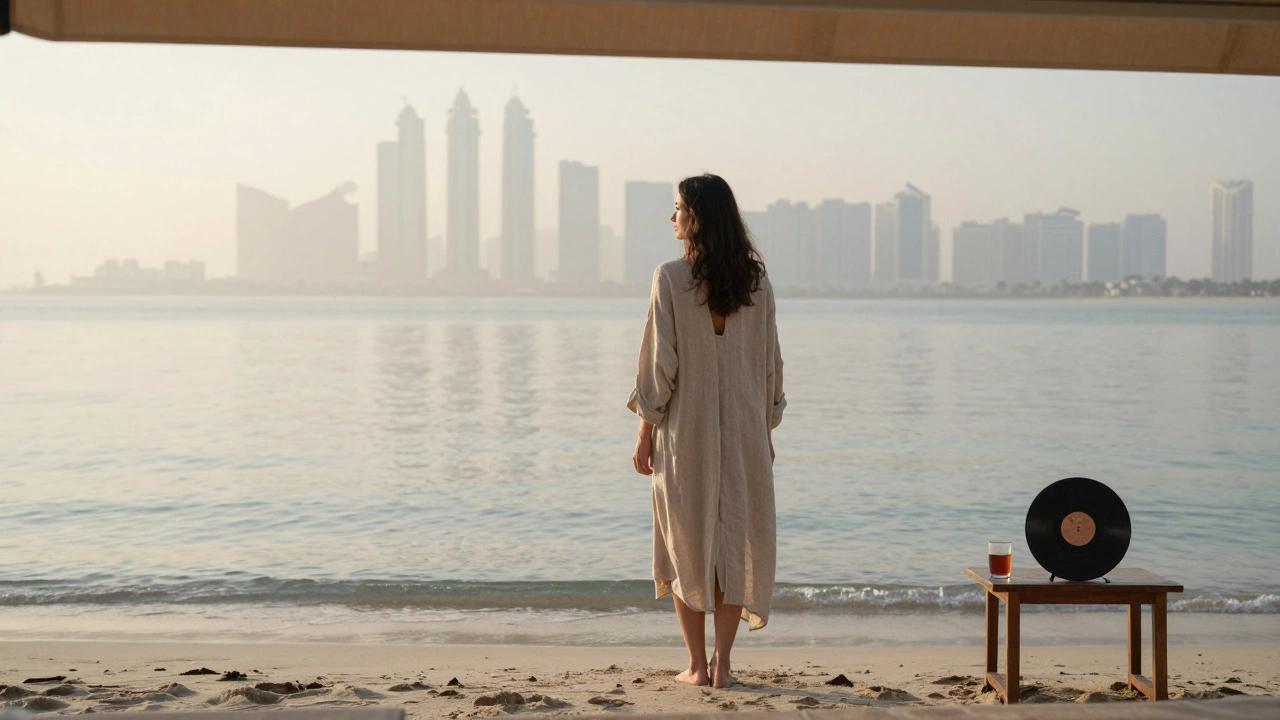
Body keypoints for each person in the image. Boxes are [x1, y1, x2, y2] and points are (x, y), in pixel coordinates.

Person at [628, 173, 786, 689]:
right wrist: (765, 429)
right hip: (744, 432)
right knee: (735, 537)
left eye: (677, 208)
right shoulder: (756, 284)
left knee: (685, 540)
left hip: (686, 433)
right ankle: (724, 664)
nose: (672, 217)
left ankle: (697, 665)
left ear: (694, 217)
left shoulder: (670, 277)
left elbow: (660, 367)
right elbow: (770, 367)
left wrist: (645, 432)